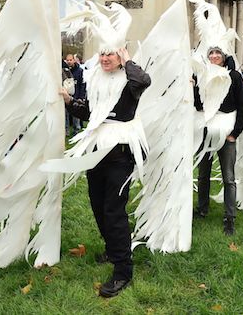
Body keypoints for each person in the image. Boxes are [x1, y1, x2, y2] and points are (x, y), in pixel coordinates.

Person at [61, 47, 150, 298]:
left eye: (111, 54)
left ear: (120, 56)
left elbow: (143, 80)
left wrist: (128, 60)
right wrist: (69, 102)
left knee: (114, 210)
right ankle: (112, 250)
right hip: (96, 151)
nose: (104, 58)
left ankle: (123, 270)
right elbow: (91, 113)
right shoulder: (96, 79)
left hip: (121, 155)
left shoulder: (131, 80)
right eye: (102, 54)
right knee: (97, 205)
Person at [194, 47, 243, 235]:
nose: (214, 56)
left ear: (224, 56)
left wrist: (235, 133)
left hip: (226, 131)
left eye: (218, 53)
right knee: (203, 173)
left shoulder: (234, 76)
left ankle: (229, 217)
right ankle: (202, 208)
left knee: (228, 176)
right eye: (211, 53)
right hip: (206, 130)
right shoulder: (202, 75)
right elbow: (198, 104)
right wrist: (192, 86)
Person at [65, 53, 86, 133]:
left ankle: (76, 130)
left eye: (70, 60)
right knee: (66, 115)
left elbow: (82, 85)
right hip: (67, 96)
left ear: (74, 60)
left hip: (76, 96)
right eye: (68, 60)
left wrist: (81, 96)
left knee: (76, 115)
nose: (69, 62)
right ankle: (66, 131)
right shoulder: (65, 71)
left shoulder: (80, 71)